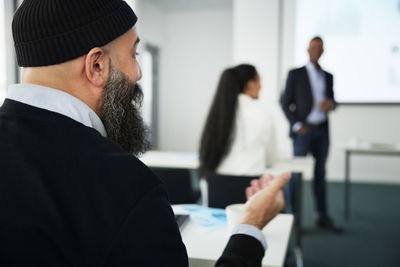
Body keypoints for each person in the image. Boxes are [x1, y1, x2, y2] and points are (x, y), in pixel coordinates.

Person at [0, 0, 290, 266]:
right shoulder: (126, 186)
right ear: (97, 65)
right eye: (133, 53)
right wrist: (249, 227)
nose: (138, 72)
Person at [280, 36, 342, 232]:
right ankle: (294, 220)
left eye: (320, 48)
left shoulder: (328, 76)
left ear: (323, 51)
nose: (316, 51)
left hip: (322, 130)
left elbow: (333, 100)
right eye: (313, 47)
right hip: (303, 131)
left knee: (320, 174)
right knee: (295, 176)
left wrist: (331, 104)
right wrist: (297, 125)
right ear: (307, 50)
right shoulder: (295, 74)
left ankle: (321, 216)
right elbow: (284, 102)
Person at [199, 64, 275, 177]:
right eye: (259, 81)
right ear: (250, 84)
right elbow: (270, 159)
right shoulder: (263, 115)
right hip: (251, 190)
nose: (261, 86)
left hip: (216, 187)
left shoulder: (218, 113)